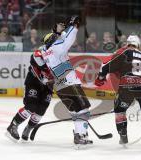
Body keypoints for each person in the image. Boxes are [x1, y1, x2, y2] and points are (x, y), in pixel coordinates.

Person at [95, 35, 141, 146]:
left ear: (128, 44)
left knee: (120, 111)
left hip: (127, 87)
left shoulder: (125, 53)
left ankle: (123, 138)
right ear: (138, 45)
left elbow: (105, 66)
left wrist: (100, 77)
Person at [41, 16, 93, 147]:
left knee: (76, 111)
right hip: (69, 83)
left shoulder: (45, 52)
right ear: (53, 40)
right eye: (56, 37)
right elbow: (67, 40)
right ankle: (80, 135)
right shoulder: (56, 48)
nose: (58, 37)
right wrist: (73, 26)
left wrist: (58, 31)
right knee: (84, 109)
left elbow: (61, 38)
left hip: (59, 87)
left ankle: (81, 134)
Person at [6, 35, 55, 141]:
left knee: (41, 110)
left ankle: (28, 128)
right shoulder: (38, 54)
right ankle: (13, 125)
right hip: (34, 83)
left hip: (48, 87)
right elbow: (42, 69)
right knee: (31, 106)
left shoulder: (60, 55)